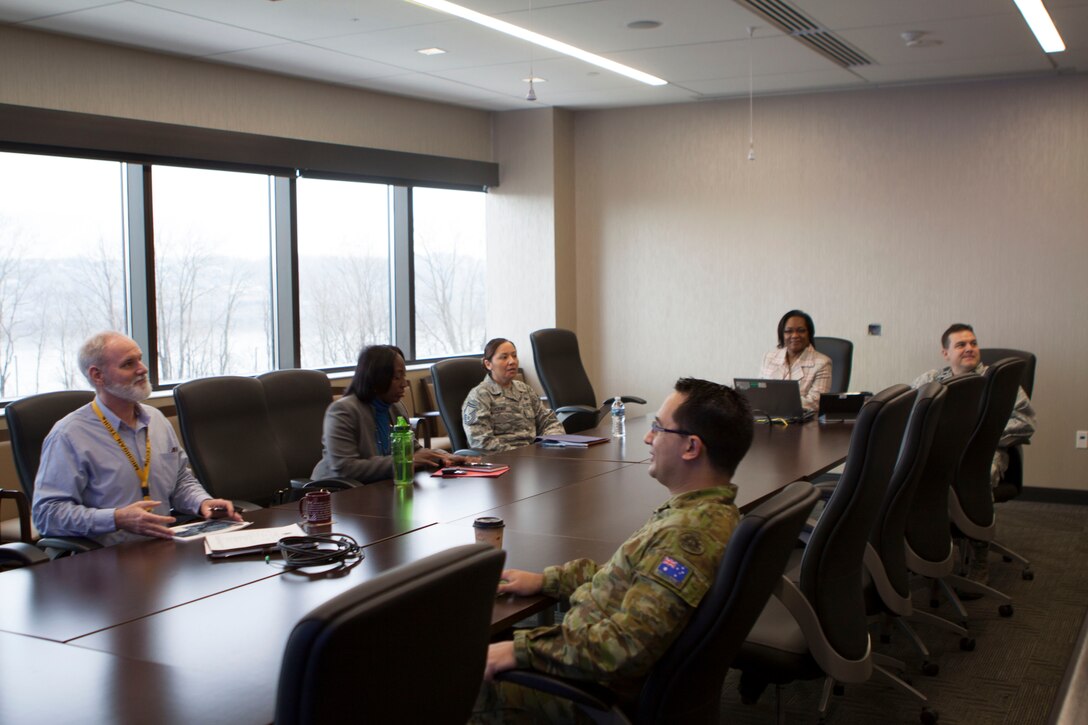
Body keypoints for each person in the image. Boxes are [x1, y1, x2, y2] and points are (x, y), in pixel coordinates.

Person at [471, 377, 754, 723]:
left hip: (590, 690)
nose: (648, 437)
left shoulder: (683, 539)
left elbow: (624, 647)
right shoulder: (705, 514)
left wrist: (519, 650)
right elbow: (626, 575)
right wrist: (545, 580)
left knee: (448, 683)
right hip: (587, 659)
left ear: (691, 447)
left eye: (658, 428)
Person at [32, 331, 241, 546]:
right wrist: (116, 519)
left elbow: (179, 481)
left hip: (163, 549)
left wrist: (202, 502)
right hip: (104, 558)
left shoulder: (156, 420)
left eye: (140, 359)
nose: (142, 369)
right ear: (97, 376)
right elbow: (47, 514)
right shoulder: (69, 435)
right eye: (128, 364)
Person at [912, 323, 1036, 585]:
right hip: (939, 453)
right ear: (946, 353)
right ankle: (921, 550)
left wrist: (978, 435)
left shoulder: (998, 382)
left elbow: (1026, 423)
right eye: (960, 345)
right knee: (904, 475)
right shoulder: (932, 381)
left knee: (975, 477)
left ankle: (979, 556)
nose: (969, 349)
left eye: (973, 343)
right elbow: (911, 417)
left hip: (983, 453)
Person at [312, 344, 472, 483]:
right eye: (397, 377)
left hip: (380, 489)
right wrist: (405, 462)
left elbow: (414, 450)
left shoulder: (395, 407)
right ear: (376, 378)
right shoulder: (343, 411)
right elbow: (345, 468)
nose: (404, 384)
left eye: (404, 376)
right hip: (336, 495)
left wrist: (444, 456)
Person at [462, 338, 565, 452]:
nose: (512, 361)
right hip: (504, 460)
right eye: (504, 357)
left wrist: (550, 445)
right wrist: (519, 455)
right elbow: (480, 441)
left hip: (535, 456)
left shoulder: (525, 390)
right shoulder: (477, 396)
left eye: (514, 356)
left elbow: (549, 422)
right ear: (488, 364)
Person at [760, 309, 832, 412]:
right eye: (789, 331)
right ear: (782, 334)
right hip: (769, 419)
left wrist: (775, 403)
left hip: (802, 423)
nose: (794, 335)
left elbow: (815, 402)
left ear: (809, 334)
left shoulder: (823, 363)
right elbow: (760, 392)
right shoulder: (769, 357)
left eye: (801, 330)